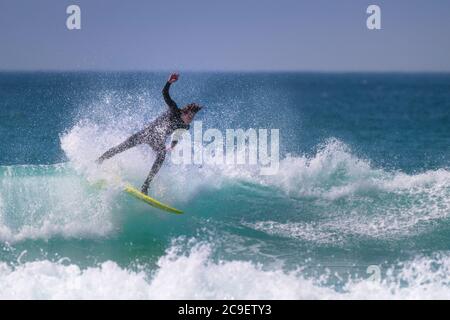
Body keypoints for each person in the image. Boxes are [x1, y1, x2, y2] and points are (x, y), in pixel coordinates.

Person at [96, 73, 202, 195]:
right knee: (122, 147)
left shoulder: (185, 126)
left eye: (192, 117)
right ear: (185, 112)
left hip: (158, 140)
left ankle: (145, 186)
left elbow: (177, 135)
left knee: (161, 155)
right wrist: (169, 82)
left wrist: (172, 146)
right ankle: (99, 160)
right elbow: (165, 94)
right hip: (147, 133)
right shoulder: (174, 109)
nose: (190, 118)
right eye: (189, 115)